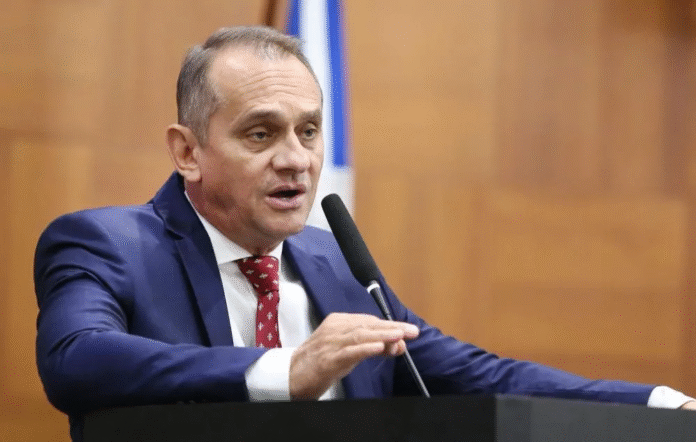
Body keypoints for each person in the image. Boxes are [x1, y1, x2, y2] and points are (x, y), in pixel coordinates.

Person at [34, 25, 695, 441]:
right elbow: (77, 360)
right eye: (261, 133)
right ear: (187, 152)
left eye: (309, 131)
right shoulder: (105, 245)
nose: (296, 159)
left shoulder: (338, 267)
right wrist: (284, 370)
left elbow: (477, 376)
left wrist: (658, 404)